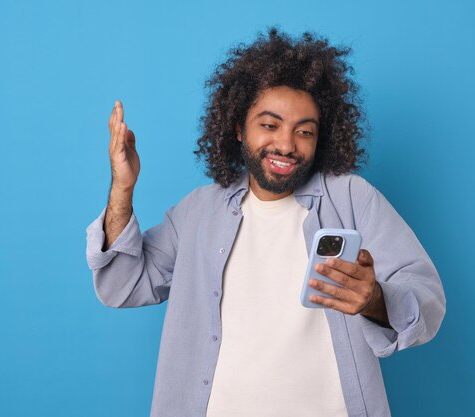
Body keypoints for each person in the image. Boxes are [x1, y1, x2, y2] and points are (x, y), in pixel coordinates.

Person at [86, 28, 445, 417]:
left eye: (304, 131)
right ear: (239, 128)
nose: (287, 145)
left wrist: (375, 300)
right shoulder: (198, 212)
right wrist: (122, 188)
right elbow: (121, 285)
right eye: (270, 125)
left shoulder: (353, 198)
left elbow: (427, 300)